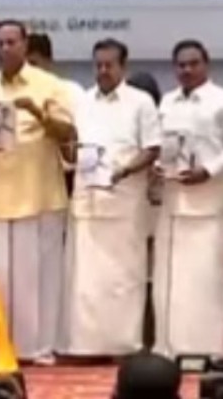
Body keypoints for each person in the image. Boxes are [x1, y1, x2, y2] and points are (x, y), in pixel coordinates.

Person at [0, 20, 75, 365]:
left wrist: (37, 112)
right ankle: (6, 348)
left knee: (42, 278)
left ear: (24, 44)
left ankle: (42, 347)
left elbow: (68, 133)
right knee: (2, 278)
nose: (6, 48)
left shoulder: (49, 85)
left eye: (12, 42)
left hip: (41, 194)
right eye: (0, 43)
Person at [63, 38, 160, 358]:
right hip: (88, 201)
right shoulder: (82, 102)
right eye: (98, 65)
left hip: (124, 203)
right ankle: (85, 345)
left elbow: (152, 149)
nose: (103, 71)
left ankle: (124, 345)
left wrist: (124, 170)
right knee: (87, 281)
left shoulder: (141, 102)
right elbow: (73, 149)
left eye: (109, 65)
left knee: (124, 279)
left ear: (123, 66)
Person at [152, 39, 223, 359]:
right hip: (173, 204)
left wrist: (208, 170)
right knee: (170, 282)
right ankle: (167, 348)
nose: (187, 70)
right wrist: (157, 166)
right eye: (181, 65)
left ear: (207, 64)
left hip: (209, 206)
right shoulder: (167, 102)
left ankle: (206, 349)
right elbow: (159, 145)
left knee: (205, 281)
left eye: (193, 63)